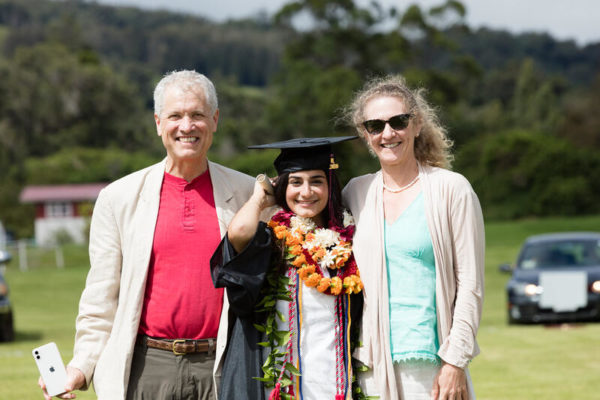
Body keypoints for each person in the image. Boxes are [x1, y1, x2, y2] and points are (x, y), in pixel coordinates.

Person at [38, 70, 256, 400]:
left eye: (197, 115)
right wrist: (80, 366)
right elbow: (101, 295)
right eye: (175, 116)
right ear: (158, 123)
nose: (187, 126)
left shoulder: (249, 193)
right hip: (148, 368)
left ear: (214, 120)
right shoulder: (118, 197)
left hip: (225, 365)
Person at [342, 75, 485, 400]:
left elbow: (471, 284)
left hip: (433, 367)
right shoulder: (356, 192)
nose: (387, 133)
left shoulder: (452, 189)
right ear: (365, 134)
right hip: (370, 368)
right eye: (375, 125)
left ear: (417, 124)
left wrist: (455, 361)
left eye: (398, 121)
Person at [210, 137, 364, 400]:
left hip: (335, 383)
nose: (306, 192)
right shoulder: (272, 241)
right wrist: (259, 199)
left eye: (316, 181)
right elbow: (238, 233)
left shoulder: (348, 243)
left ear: (330, 185)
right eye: (295, 182)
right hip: (280, 385)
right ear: (282, 187)